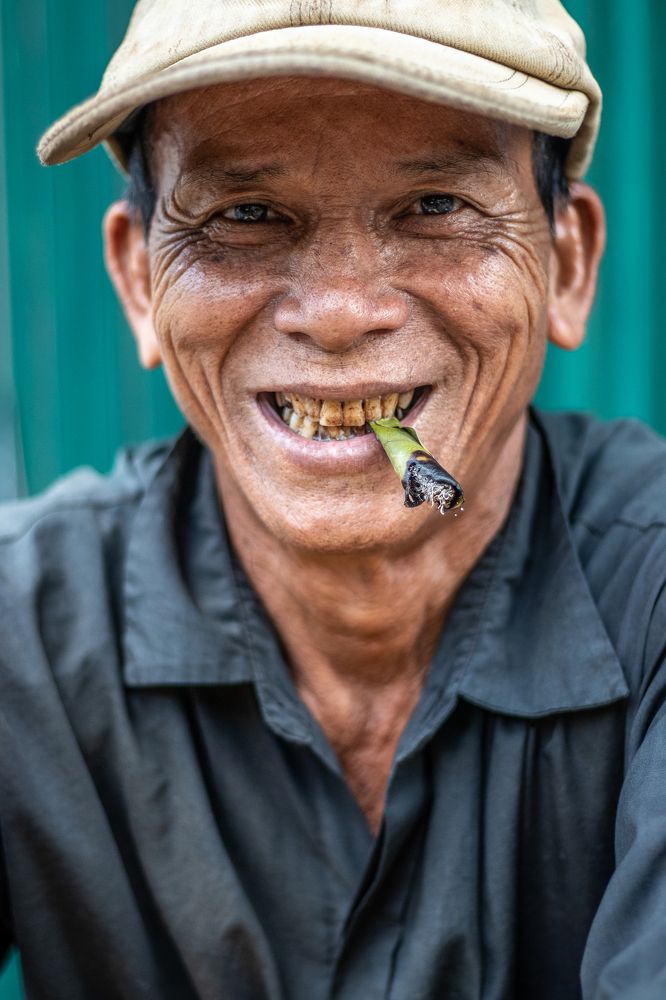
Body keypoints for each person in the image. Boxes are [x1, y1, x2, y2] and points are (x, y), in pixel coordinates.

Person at [2, 1, 666, 997]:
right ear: (140, 282)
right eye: (246, 216)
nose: (343, 312)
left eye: (436, 206)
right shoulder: (23, 640)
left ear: (567, 265)